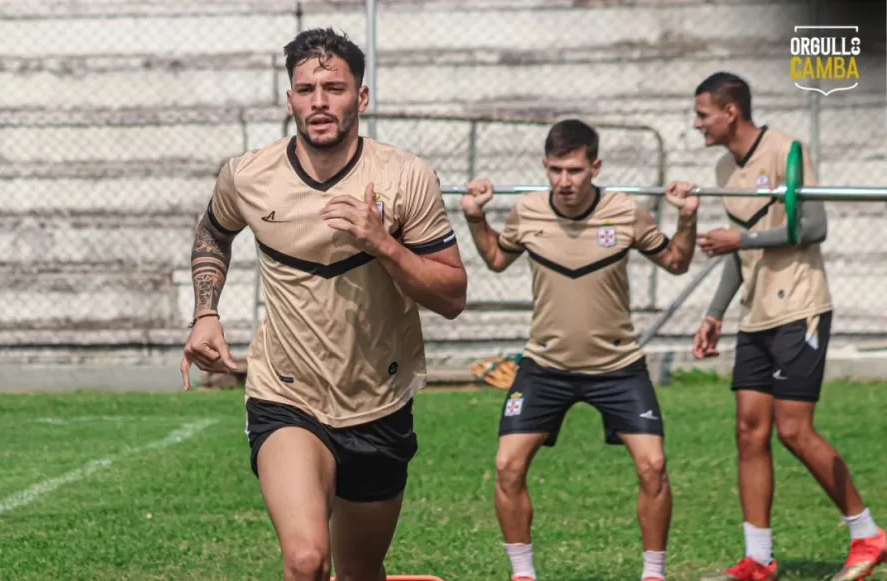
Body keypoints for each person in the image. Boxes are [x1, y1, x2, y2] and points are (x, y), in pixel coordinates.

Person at [180, 27, 468, 581]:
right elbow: (213, 233)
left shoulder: (405, 177)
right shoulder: (247, 175)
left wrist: (382, 243)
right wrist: (206, 312)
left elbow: (451, 295)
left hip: (378, 402)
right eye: (305, 88)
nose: (319, 101)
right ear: (289, 99)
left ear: (360, 97)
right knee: (308, 559)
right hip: (285, 395)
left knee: (360, 572)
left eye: (333, 88)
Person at [462, 118, 700, 581]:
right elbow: (495, 258)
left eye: (574, 170)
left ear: (596, 166)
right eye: (555, 170)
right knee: (507, 466)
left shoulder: (626, 211)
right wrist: (475, 217)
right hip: (545, 366)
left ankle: (654, 574)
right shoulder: (527, 211)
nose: (564, 181)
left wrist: (687, 217)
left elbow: (676, 262)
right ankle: (523, 574)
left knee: (653, 466)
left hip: (619, 366)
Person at [684, 71, 886, 581]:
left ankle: (868, 535)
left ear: (731, 112)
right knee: (749, 433)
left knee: (794, 430)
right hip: (755, 317)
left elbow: (813, 227)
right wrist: (714, 312)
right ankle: (758, 558)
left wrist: (740, 242)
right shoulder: (722, 168)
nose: (697, 123)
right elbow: (740, 246)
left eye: (703, 113)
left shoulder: (787, 151)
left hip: (801, 308)